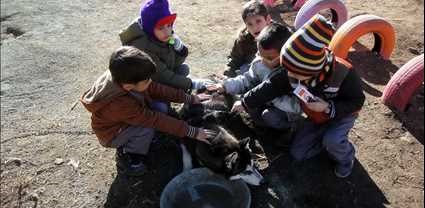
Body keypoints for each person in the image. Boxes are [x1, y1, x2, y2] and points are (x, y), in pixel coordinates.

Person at [240, 15, 365, 177]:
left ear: (311, 70)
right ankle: (323, 141)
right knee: (298, 153)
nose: (289, 75)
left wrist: (328, 107)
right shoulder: (293, 71)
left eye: (295, 73)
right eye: (287, 70)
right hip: (316, 117)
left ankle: (346, 158)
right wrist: (245, 102)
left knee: (333, 139)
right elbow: (270, 86)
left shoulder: (344, 72)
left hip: (341, 115)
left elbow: (357, 101)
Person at [81, 46, 212, 176]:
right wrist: (191, 131)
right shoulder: (119, 104)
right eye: (147, 81)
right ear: (128, 86)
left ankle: (139, 141)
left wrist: (189, 98)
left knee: (161, 108)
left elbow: (157, 89)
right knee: (146, 129)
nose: (150, 82)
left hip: (127, 117)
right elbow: (153, 119)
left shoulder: (126, 76)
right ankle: (130, 157)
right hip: (112, 134)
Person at [208, 22, 301, 133]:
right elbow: (246, 80)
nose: (263, 60)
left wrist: (268, 96)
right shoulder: (259, 64)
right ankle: (262, 129)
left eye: (269, 58)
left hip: (285, 112)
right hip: (263, 102)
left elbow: (297, 106)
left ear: (285, 54)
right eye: (260, 54)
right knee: (251, 106)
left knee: (270, 116)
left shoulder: (294, 73)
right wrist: (225, 86)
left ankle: (289, 130)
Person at [119, 0, 208, 93]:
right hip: (146, 85)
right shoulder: (143, 47)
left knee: (183, 69)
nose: (167, 31)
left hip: (162, 74)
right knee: (162, 107)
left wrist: (181, 50)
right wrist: (191, 84)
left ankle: (176, 90)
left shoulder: (164, 36)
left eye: (169, 25)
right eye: (160, 28)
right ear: (149, 28)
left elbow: (175, 63)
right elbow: (163, 76)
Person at [223, 0, 272, 78]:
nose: (255, 27)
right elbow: (234, 60)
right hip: (248, 76)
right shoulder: (243, 40)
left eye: (258, 21)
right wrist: (228, 76)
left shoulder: (278, 35)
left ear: (268, 19)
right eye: (250, 24)